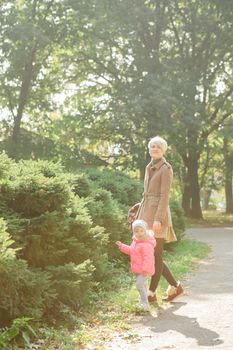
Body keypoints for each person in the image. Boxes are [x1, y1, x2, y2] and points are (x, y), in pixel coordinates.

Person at [128, 136, 184, 302]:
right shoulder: (149, 166)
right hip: (146, 215)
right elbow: (148, 195)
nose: (155, 149)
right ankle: (175, 286)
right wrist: (139, 209)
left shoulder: (166, 168)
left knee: (156, 254)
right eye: (152, 146)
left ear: (164, 150)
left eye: (158, 147)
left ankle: (151, 293)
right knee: (153, 254)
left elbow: (164, 196)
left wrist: (158, 219)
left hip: (158, 217)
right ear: (149, 149)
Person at [116, 219, 156, 311]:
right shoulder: (136, 241)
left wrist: (145, 270)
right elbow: (131, 251)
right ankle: (143, 302)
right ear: (134, 232)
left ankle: (145, 304)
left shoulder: (147, 244)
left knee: (139, 285)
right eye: (136, 231)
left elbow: (148, 258)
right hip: (138, 269)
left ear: (145, 230)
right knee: (144, 286)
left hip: (144, 270)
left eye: (141, 230)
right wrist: (122, 246)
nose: (139, 233)